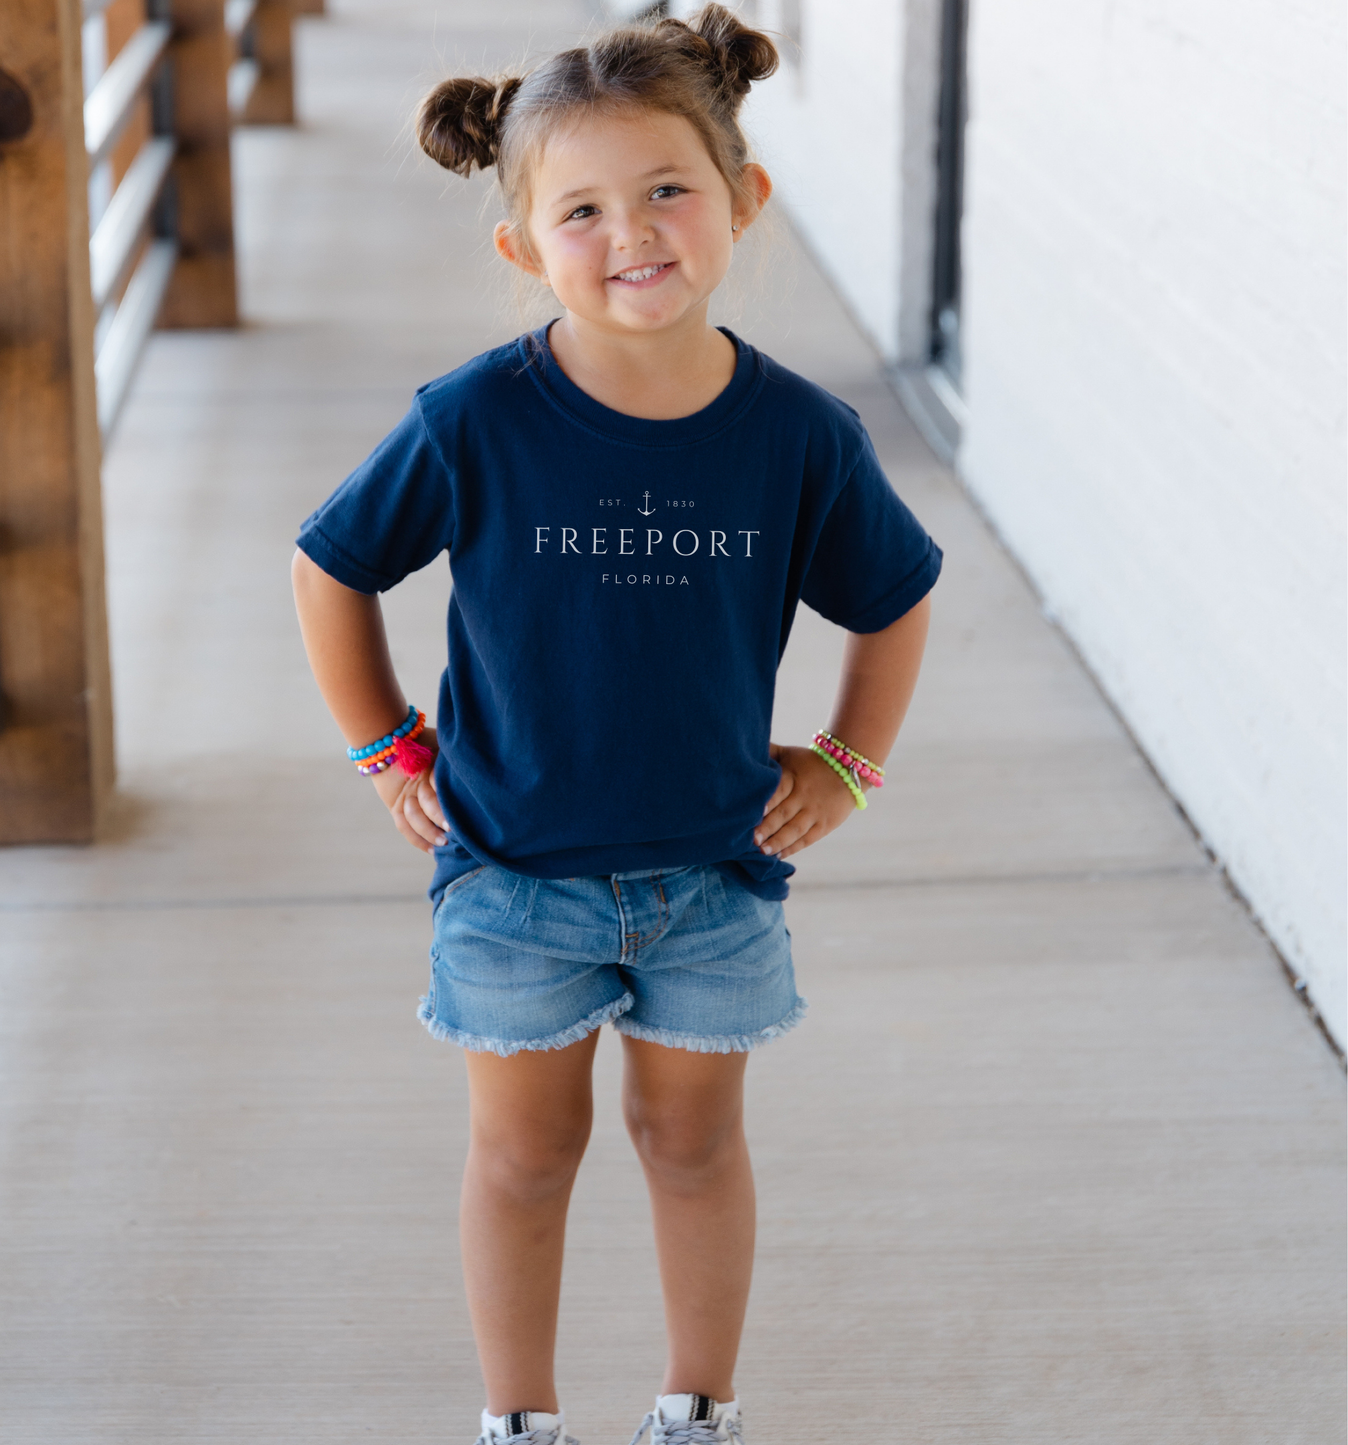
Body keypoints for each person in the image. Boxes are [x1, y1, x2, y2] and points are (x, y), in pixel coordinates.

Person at [291, 7, 940, 1443]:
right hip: (515, 878)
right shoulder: (475, 422)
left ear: (741, 200)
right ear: (523, 244)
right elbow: (332, 563)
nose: (632, 233)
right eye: (581, 209)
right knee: (524, 1160)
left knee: (694, 1147)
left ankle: (697, 1407)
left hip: (715, 876)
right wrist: (387, 745)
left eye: (667, 191)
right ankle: (519, 1418)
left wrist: (847, 761)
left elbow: (894, 597)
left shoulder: (800, 437)